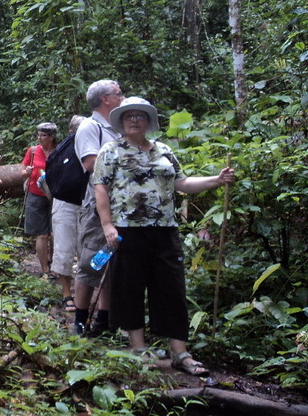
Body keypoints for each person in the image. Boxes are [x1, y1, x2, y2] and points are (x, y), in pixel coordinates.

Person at [93, 96, 235, 375]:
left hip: (164, 230)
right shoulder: (110, 151)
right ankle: (138, 349)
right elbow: (101, 188)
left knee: (171, 288)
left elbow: (181, 183)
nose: (135, 120)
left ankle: (180, 353)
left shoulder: (165, 151)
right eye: (129, 116)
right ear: (121, 121)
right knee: (131, 287)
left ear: (148, 121)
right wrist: (107, 225)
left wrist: (216, 180)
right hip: (127, 231)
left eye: (140, 116)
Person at [72, 79, 124, 336]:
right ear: (106, 99)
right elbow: (92, 163)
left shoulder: (118, 126)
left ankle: (105, 320)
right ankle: (81, 320)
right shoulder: (90, 127)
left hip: (122, 206)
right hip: (97, 206)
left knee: (113, 263)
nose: (122, 97)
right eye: (119, 93)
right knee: (92, 261)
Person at [50, 115, 87, 313]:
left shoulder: (95, 148)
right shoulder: (62, 151)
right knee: (64, 251)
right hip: (65, 204)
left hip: (87, 205)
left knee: (87, 252)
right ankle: (67, 294)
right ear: (72, 131)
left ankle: (84, 295)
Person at [21, 122, 57, 278]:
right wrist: (26, 172)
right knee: (41, 234)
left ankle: (53, 262)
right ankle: (44, 270)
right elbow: (22, 172)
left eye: (43, 135)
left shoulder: (59, 151)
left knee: (54, 232)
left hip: (56, 196)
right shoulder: (33, 151)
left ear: (52, 137)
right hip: (36, 195)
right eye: (38, 134)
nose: (39, 138)